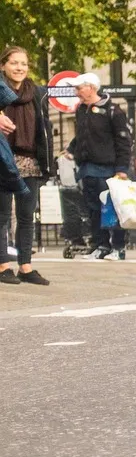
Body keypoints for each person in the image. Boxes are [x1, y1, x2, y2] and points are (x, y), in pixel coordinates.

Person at [0, 46, 54, 284]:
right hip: (3, 158)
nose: (19, 68)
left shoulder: (38, 93)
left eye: (23, 63)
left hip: (30, 159)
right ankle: (3, 266)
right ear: (3, 65)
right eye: (14, 63)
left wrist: (46, 162)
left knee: (26, 216)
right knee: (1, 215)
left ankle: (25, 266)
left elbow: (44, 130)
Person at [67, 73, 131, 261]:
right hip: (87, 168)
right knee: (93, 209)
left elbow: (123, 141)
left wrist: (122, 169)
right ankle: (101, 245)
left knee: (111, 208)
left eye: (79, 88)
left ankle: (118, 247)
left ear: (92, 88)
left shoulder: (113, 111)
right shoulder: (81, 110)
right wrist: (72, 149)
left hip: (107, 168)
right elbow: (81, 135)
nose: (76, 92)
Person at [57, 151, 90, 258]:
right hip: (74, 188)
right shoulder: (73, 159)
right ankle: (80, 238)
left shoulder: (61, 159)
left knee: (72, 215)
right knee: (78, 214)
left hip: (68, 188)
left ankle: (77, 238)